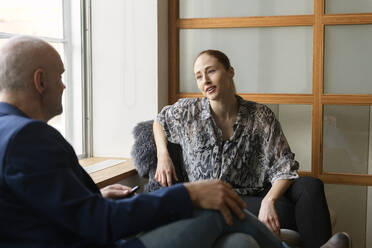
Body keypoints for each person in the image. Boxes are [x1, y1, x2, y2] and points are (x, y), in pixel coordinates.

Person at [0, 35, 303, 248]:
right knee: (215, 206)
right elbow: (98, 224)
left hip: (80, 231)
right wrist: (188, 194)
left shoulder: (9, 132)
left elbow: (45, 209)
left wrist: (96, 198)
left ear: (230, 72)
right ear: (40, 81)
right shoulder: (27, 137)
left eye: (211, 71)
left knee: (238, 243)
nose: (64, 84)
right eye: (60, 76)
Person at [153, 49, 351, 248]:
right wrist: (163, 155)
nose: (205, 80)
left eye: (211, 71)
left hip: (255, 193)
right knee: (294, 213)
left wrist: (269, 201)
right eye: (198, 76)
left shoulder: (259, 115)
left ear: (230, 71)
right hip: (214, 198)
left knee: (311, 186)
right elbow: (159, 121)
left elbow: (284, 165)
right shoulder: (189, 111)